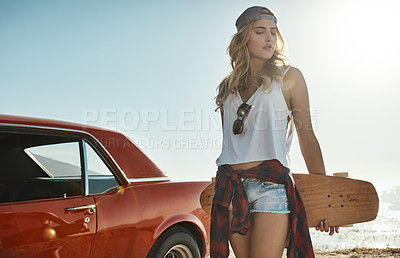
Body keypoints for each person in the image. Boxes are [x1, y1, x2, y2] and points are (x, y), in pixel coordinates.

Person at [210, 6, 339, 258]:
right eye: (260, 31)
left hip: (270, 186)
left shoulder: (289, 77)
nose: (269, 38)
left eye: (273, 31)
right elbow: (231, 143)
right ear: (243, 38)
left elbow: (307, 137)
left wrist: (326, 197)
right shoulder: (227, 87)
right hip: (230, 187)